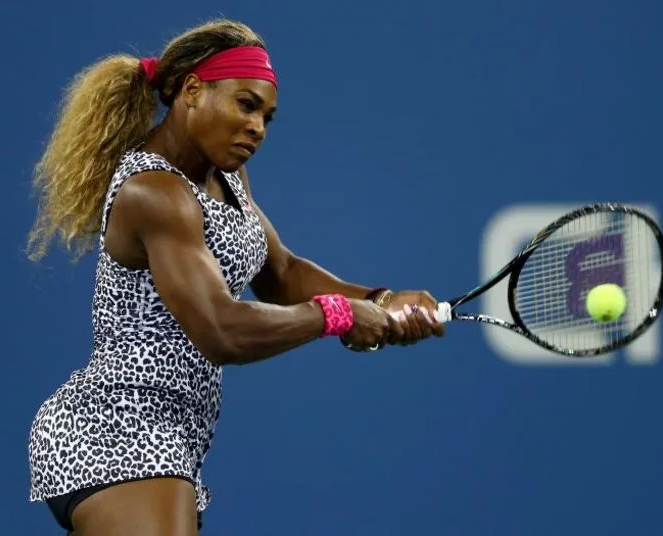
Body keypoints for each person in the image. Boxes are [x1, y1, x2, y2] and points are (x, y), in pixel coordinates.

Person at [26, 18, 445, 536]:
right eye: (246, 105)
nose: (258, 129)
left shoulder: (226, 176)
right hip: (114, 432)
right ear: (193, 91)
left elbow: (282, 273)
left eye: (267, 116)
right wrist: (336, 315)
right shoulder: (154, 192)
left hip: (170, 440)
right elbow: (220, 330)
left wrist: (379, 297)